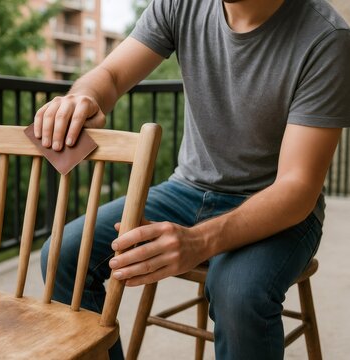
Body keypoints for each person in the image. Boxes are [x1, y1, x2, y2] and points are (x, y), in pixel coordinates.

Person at [35, 0, 350, 359]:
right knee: (64, 253)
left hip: (279, 206)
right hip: (187, 189)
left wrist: (198, 242)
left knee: (236, 292)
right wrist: (83, 97)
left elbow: (297, 188)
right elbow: (112, 75)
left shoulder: (327, 37)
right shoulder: (180, 4)